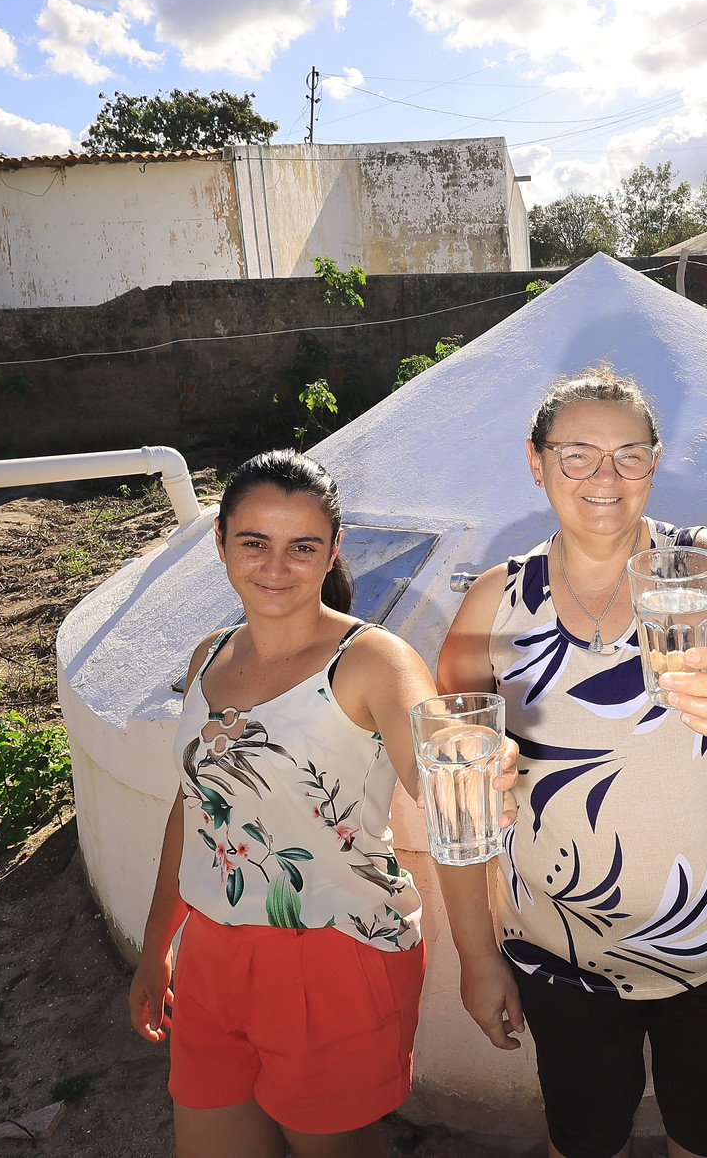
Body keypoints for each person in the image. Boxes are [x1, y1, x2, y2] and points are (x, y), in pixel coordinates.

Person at [435, 364, 707, 1158]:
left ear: (655, 464)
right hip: (559, 954)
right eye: (578, 454)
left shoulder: (703, 570)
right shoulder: (496, 600)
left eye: (629, 455)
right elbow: (455, 795)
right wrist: (477, 955)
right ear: (536, 460)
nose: (606, 476)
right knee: (584, 1143)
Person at [127, 449, 517, 1158]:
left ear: (333, 549)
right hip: (212, 954)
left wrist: (478, 957)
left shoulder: (373, 661)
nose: (277, 565)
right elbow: (196, 807)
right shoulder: (208, 655)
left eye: (302, 546)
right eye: (254, 542)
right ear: (220, 543)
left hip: (334, 954)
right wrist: (157, 946)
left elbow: (446, 796)